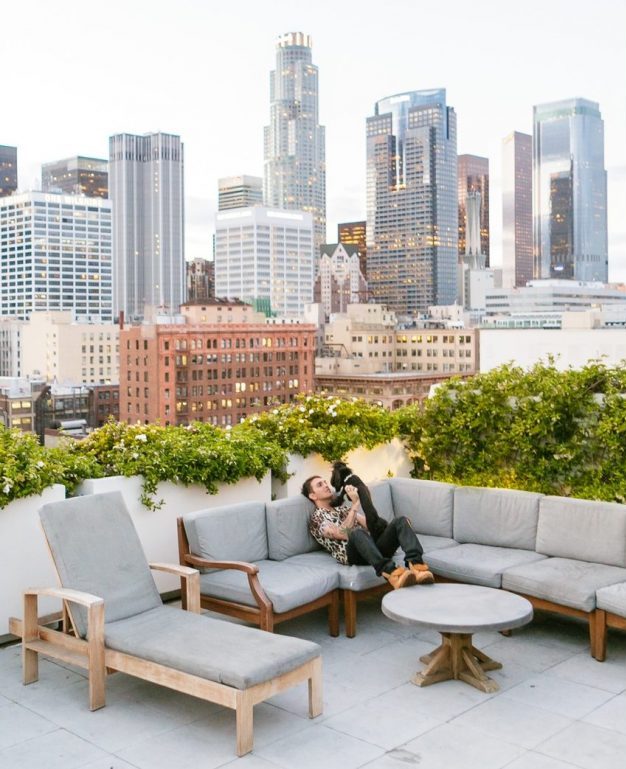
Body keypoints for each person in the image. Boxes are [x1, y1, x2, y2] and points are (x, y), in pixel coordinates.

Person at [302, 474, 434, 589]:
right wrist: (355, 505)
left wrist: (362, 498)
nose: (326, 485)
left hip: (372, 549)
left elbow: (373, 525)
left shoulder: (341, 510)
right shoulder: (317, 518)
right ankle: (392, 573)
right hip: (353, 556)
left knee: (400, 520)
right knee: (356, 533)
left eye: (325, 482)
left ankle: (417, 566)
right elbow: (342, 534)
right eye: (320, 485)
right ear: (312, 495)